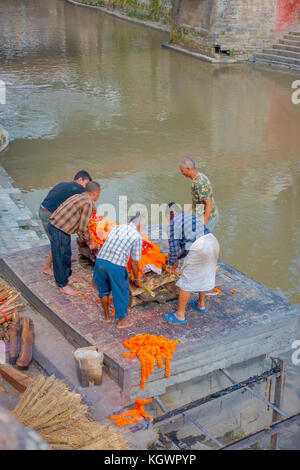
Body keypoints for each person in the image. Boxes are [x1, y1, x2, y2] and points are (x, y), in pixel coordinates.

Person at [163, 203, 220, 324]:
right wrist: (177, 260)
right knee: (204, 274)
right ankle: (201, 304)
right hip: (213, 242)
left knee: (186, 282)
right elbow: (185, 249)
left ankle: (180, 315)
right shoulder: (189, 217)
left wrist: (170, 265)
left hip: (200, 247)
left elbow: (174, 250)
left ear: (169, 215)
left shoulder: (172, 225)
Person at [48, 181, 100, 296]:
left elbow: (78, 221)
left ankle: (68, 277)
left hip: (60, 227)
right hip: (59, 229)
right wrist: (90, 242)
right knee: (60, 257)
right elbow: (83, 227)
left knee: (66, 254)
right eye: (99, 194)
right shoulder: (87, 203)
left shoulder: (78, 196)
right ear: (95, 193)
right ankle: (62, 285)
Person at [93, 213, 145, 329]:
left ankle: (107, 317)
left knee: (104, 290)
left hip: (100, 261)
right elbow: (135, 262)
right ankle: (122, 321)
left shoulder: (117, 228)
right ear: (139, 225)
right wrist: (137, 279)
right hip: (116, 266)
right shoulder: (137, 236)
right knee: (121, 292)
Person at [39, 170, 92, 276]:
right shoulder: (78, 188)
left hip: (43, 211)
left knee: (60, 238)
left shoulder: (64, 185)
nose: (86, 188)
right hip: (50, 215)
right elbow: (88, 201)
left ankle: (63, 258)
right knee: (57, 242)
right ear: (80, 179)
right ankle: (47, 267)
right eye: (87, 184)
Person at [179, 157, 219, 234]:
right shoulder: (196, 178)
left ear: (188, 169)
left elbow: (209, 205)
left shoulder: (199, 183)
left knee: (203, 241)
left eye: (182, 170)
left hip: (209, 218)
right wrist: (185, 213)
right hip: (202, 215)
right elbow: (196, 199)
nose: (182, 173)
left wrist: (203, 224)